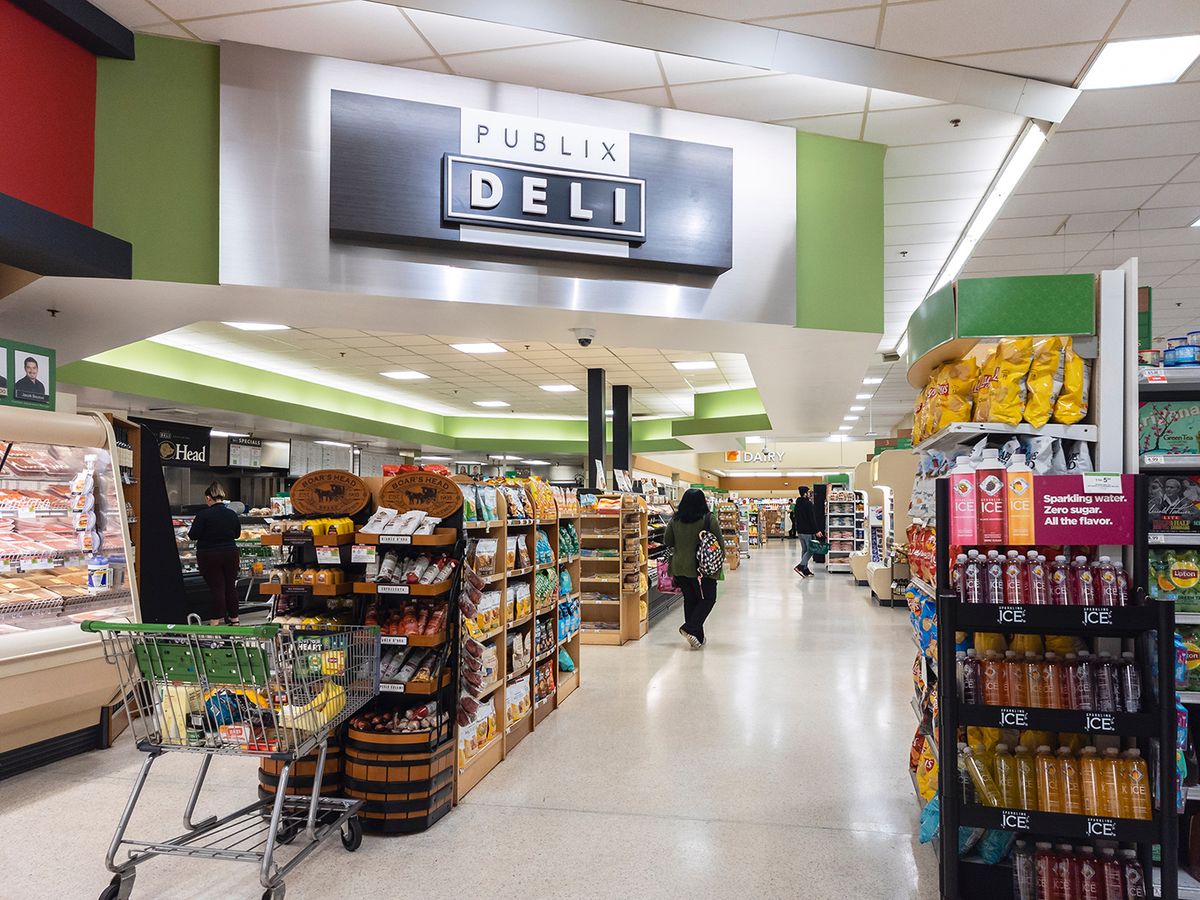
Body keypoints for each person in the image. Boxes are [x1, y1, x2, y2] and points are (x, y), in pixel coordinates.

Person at [664, 488, 722, 649]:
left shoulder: (675, 520)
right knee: (708, 599)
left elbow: (667, 540)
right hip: (702, 569)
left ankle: (697, 637)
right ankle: (689, 628)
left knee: (691, 600)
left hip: (679, 567)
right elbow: (719, 546)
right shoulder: (709, 519)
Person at [189, 481, 243, 625]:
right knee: (230, 586)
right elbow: (237, 534)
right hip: (230, 553)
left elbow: (193, 535)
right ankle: (235, 620)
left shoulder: (203, 515)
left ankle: (215, 621)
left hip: (209, 555)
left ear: (208, 498)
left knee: (217, 588)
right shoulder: (232, 514)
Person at [791, 485, 824, 578]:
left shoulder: (797, 504)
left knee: (805, 550)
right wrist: (817, 530)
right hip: (808, 531)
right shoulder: (808, 504)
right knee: (811, 549)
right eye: (808, 492)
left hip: (800, 531)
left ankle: (805, 570)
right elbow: (812, 519)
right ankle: (801, 566)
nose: (810, 494)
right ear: (805, 493)